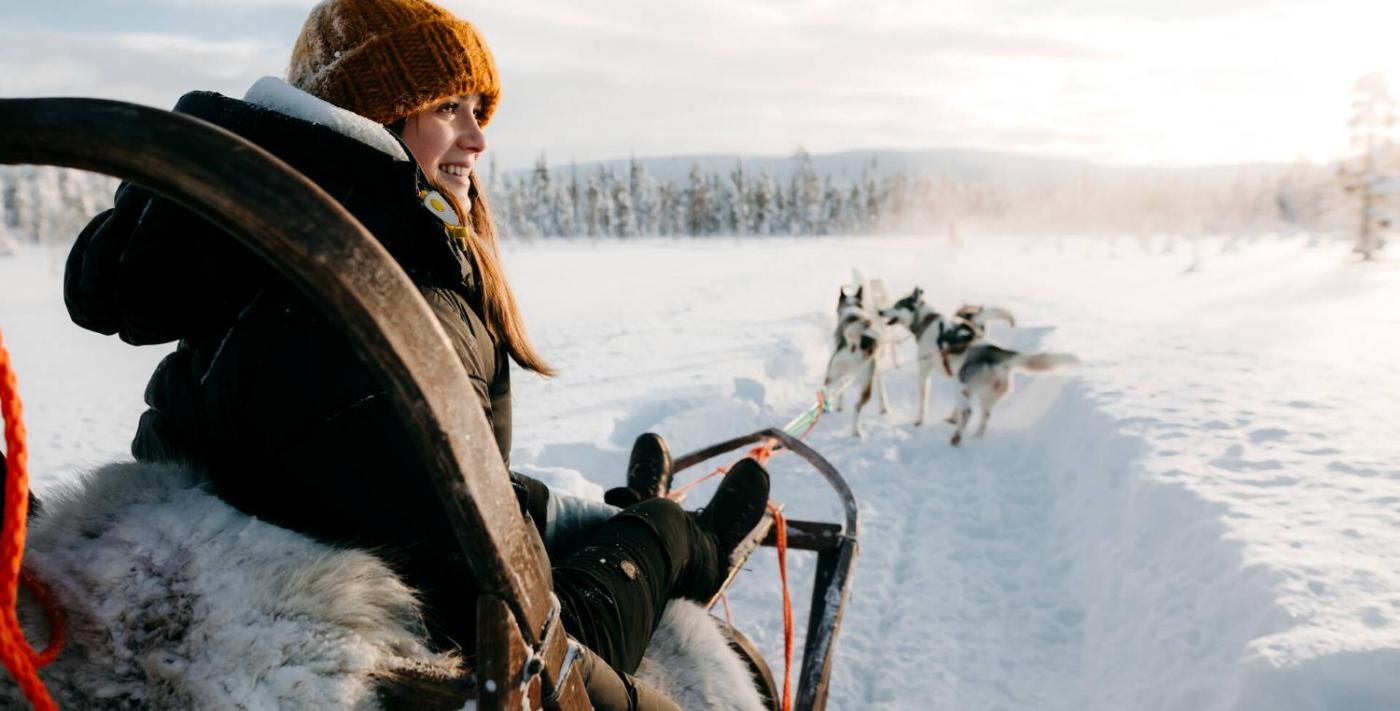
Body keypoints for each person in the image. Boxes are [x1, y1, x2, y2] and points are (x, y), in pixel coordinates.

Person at [62, 1, 770, 708]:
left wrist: (568, 517)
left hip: (276, 543)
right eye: (447, 108)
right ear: (375, 114)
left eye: (478, 111)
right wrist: (656, 538)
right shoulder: (384, 296)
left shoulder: (267, 257)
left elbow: (386, 475)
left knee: (596, 518)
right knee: (664, 529)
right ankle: (691, 542)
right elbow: (498, 621)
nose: (477, 138)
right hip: (446, 637)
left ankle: (638, 518)